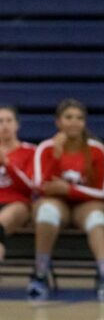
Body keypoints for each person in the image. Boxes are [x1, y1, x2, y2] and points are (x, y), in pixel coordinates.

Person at [29, 98, 104, 300]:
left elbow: (103, 192)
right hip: (56, 203)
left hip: (86, 204)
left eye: (79, 118)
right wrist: (56, 155)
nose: (74, 122)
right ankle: (40, 274)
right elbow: (39, 187)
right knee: (46, 212)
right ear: (58, 122)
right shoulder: (45, 148)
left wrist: (68, 189)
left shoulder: (97, 150)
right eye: (68, 117)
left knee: (97, 217)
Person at [0, 105, 35, 262]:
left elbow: (29, 187)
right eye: (0, 121)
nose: (5, 125)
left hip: (17, 203)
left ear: (17, 125)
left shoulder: (30, 151)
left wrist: (7, 164)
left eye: (9, 120)